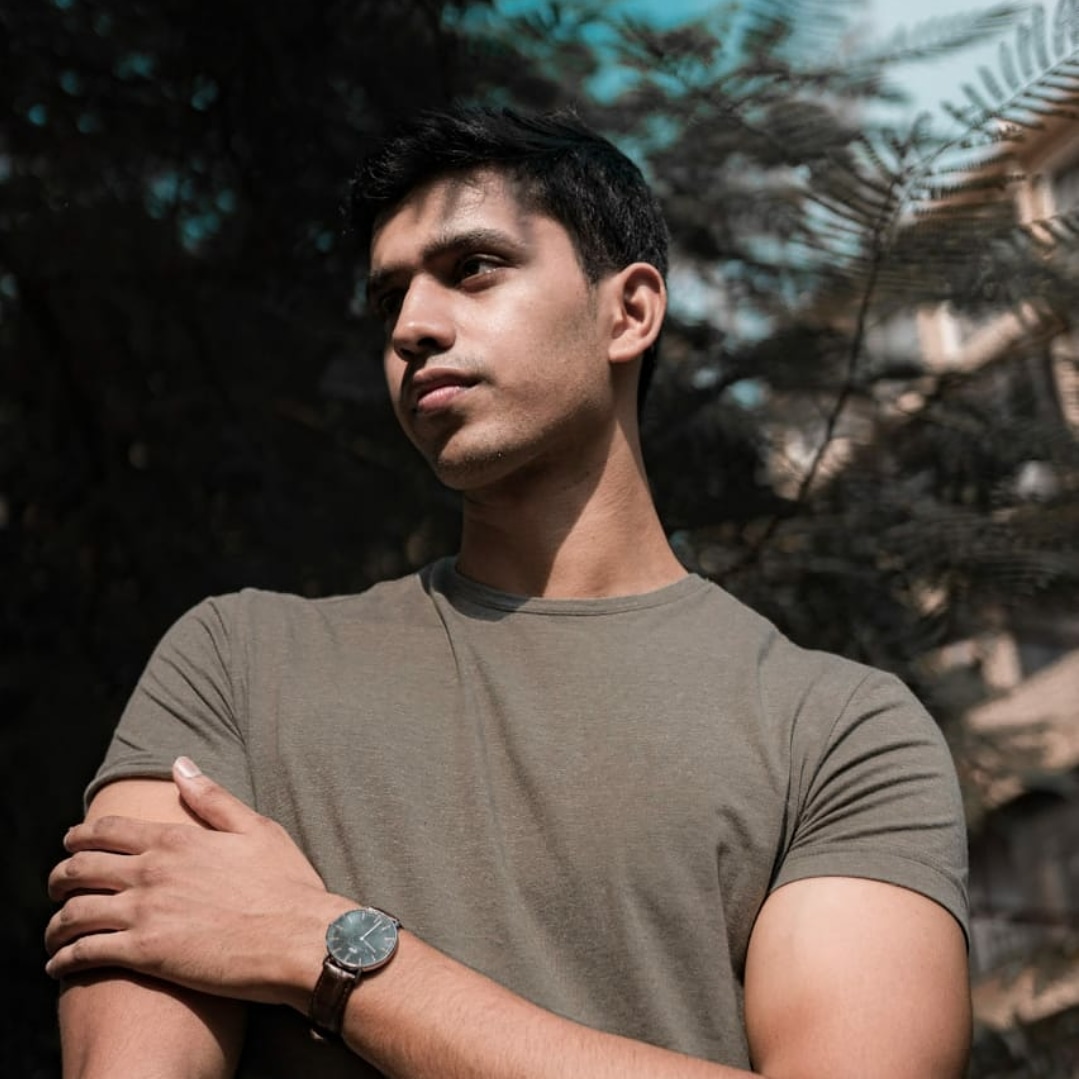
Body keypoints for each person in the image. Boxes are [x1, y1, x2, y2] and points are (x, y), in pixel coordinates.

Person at [44, 105, 971, 1079]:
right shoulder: (237, 663)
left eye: (473, 267)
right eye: (388, 298)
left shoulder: (836, 731)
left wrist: (326, 947)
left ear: (629, 312)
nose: (412, 326)